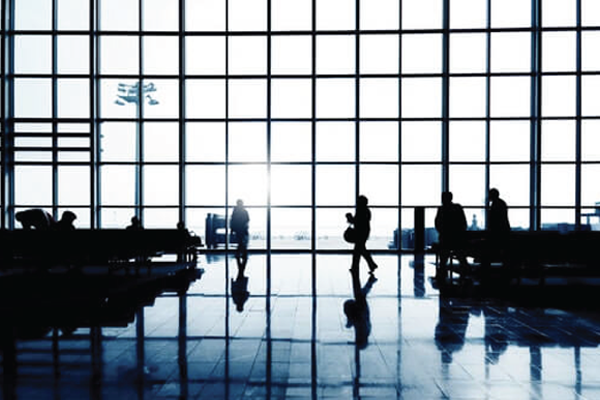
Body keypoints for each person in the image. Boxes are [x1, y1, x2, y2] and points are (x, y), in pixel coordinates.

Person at [434, 191, 470, 281]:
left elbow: (437, 223)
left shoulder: (441, 209)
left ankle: (442, 273)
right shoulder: (457, 208)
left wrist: (442, 232)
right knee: (461, 256)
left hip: (446, 238)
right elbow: (463, 222)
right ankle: (465, 271)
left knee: (443, 257)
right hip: (457, 238)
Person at [346, 195, 378, 274]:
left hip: (360, 232)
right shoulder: (366, 210)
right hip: (364, 232)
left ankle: (359, 267)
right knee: (360, 250)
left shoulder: (361, 210)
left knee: (358, 250)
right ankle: (370, 264)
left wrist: (349, 218)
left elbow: (357, 222)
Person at [230, 199, 250, 270]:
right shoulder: (244, 211)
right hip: (243, 229)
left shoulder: (235, 212)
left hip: (238, 229)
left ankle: (240, 253)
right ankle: (243, 254)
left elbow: (232, 221)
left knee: (240, 242)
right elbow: (247, 220)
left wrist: (232, 230)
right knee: (242, 242)